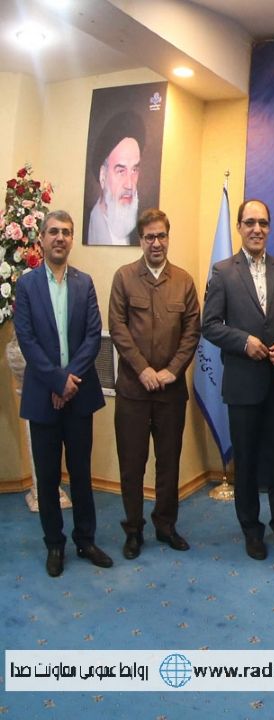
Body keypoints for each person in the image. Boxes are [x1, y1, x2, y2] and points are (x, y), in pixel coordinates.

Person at [201, 198, 274, 561]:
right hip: (243, 384)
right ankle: (251, 529)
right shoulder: (222, 272)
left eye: (262, 223)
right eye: (250, 222)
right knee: (245, 464)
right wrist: (243, 341)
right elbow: (209, 325)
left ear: (269, 228)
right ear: (239, 227)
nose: (257, 229)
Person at [14, 210, 110, 576]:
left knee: (82, 473)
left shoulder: (85, 283)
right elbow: (27, 339)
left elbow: (93, 336)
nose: (60, 237)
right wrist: (57, 382)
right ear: (41, 238)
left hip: (79, 395)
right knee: (48, 476)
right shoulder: (27, 286)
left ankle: (86, 540)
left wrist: (69, 381)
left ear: (71, 240)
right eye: (53, 231)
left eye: (66, 232)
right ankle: (54, 544)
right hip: (43, 397)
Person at [108, 208, 201, 560]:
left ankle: (165, 525)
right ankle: (133, 529)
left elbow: (192, 332)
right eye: (150, 237)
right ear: (140, 240)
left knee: (169, 463)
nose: (157, 243)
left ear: (168, 237)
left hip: (170, 392)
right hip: (133, 391)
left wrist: (173, 370)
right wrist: (143, 369)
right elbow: (117, 327)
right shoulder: (124, 277)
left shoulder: (184, 281)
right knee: (132, 465)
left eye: (162, 235)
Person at [87, 111, 143, 246]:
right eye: (121, 171)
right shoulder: (90, 223)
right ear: (103, 176)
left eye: (134, 170)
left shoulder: (143, 226)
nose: (129, 185)